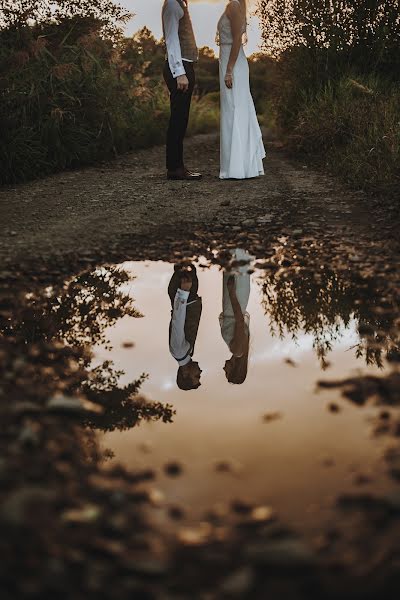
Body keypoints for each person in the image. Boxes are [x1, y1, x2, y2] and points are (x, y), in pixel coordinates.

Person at [217, 0, 266, 179]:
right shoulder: (235, 5)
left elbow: (237, 39)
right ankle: (239, 166)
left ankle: (236, 168)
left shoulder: (234, 6)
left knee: (234, 110)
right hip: (229, 61)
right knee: (233, 110)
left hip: (233, 64)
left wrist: (229, 69)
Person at [162, 0, 202, 180]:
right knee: (178, 119)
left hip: (185, 66)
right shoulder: (172, 4)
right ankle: (175, 169)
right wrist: (179, 72)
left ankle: (177, 166)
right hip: (179, 68)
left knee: (181, 118)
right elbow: (171, 40)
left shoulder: (180, 4)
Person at [219, 249, 252, 384]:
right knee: (236, 265)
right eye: (226, 372)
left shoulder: (239, 350)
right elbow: (239, 321)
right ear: (234, 369)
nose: (223, 368)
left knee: (238, 266)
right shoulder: (237, 351)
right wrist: (232, 293)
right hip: (234, 303)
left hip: (235, 303)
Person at [168, 264, 202, 390]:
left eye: (197, 376)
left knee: (183, 257)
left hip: (184, 293)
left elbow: (178, 321)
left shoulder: (178, 351)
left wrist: (183, 292)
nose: (200, 372)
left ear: (185, 374)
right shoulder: (186, 353)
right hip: (189, 296)